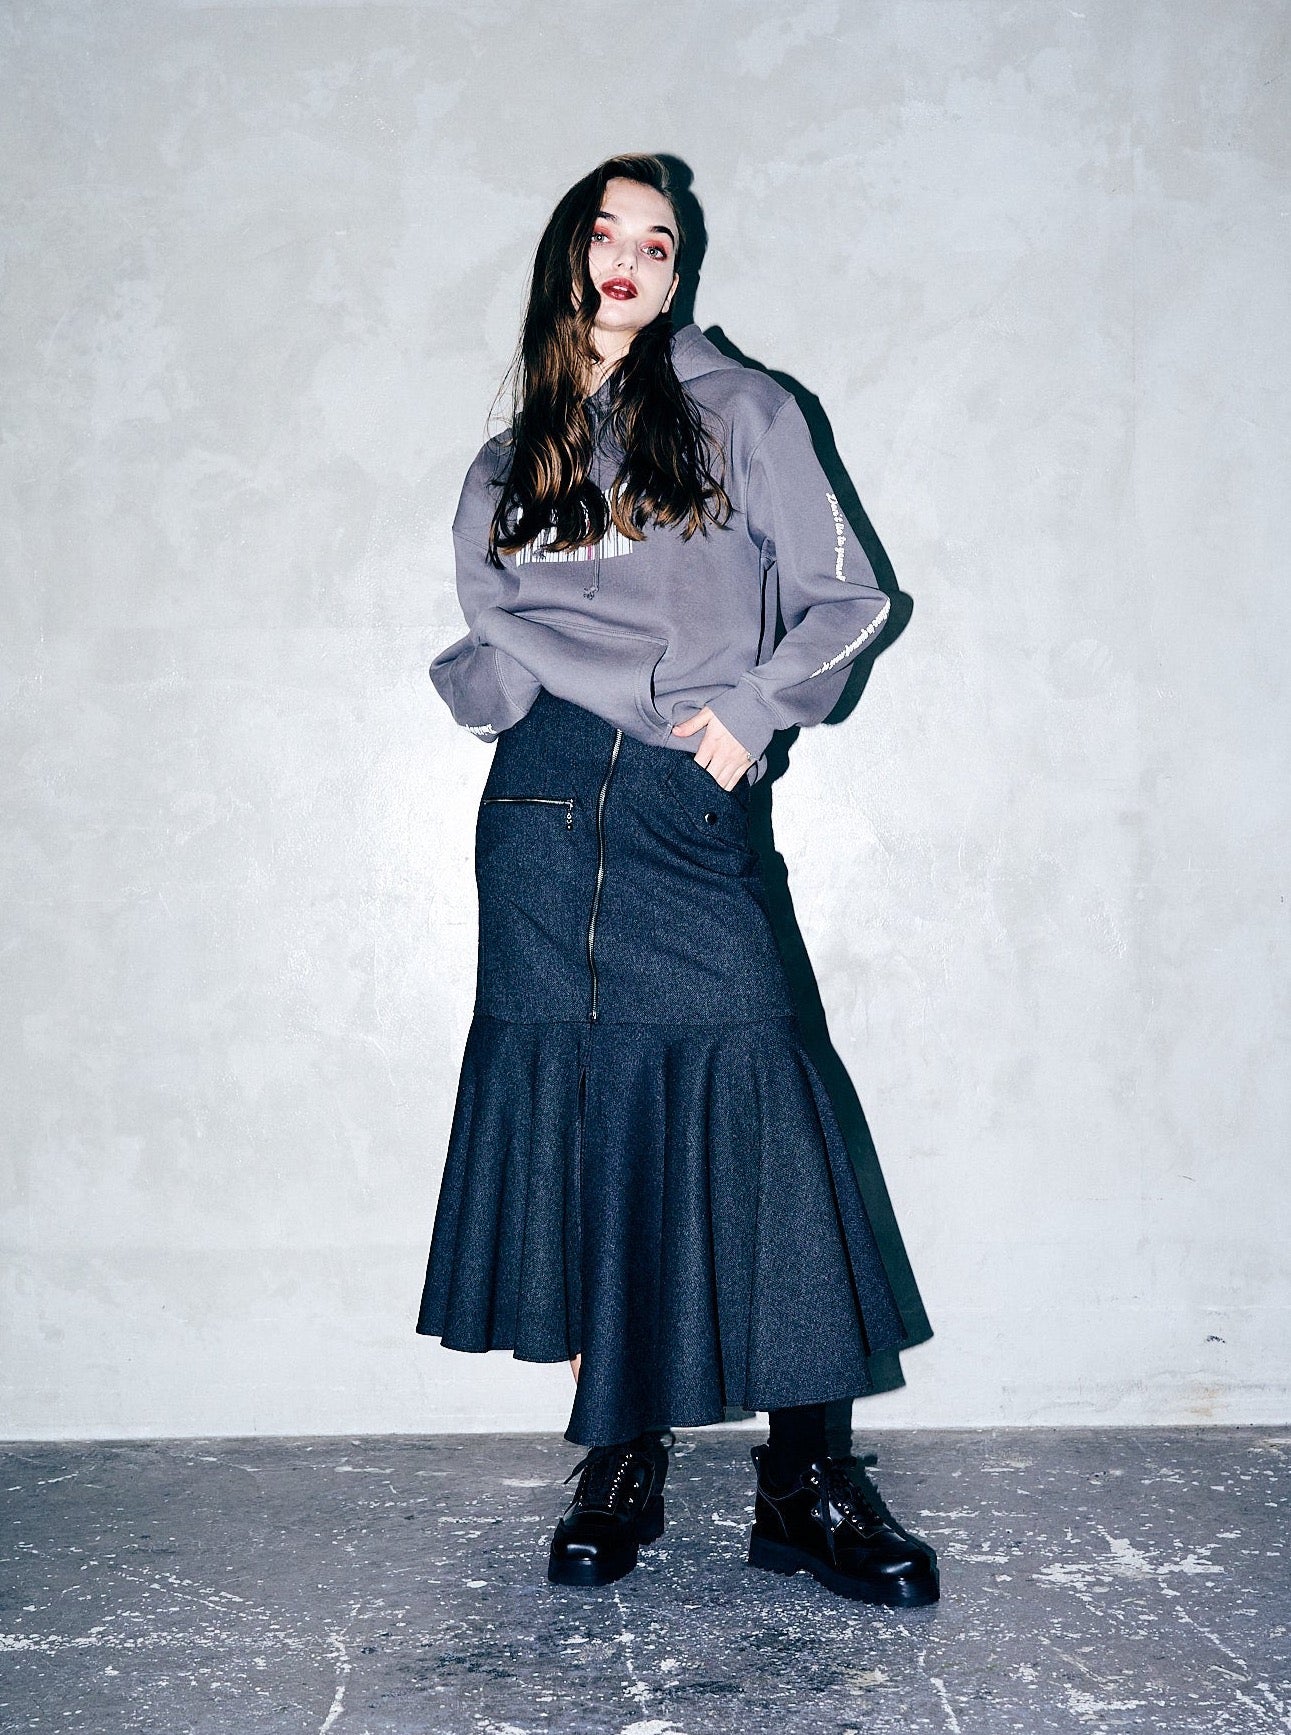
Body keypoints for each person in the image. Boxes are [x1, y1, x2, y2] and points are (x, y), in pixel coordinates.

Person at [416, 154, 938, 1607]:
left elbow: (849, 601)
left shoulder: (746, 411)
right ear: (566, 257)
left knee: (766, 1108)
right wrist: (493, 692)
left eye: (660, 241)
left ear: (679, 271)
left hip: (682, 807)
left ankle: (806, 1479)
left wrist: (749, 718)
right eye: (608, 233)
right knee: (592, 1123)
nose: (631, 258)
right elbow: (487, 620)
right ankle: (619, 1456)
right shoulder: (509, 457)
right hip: (538, 816)